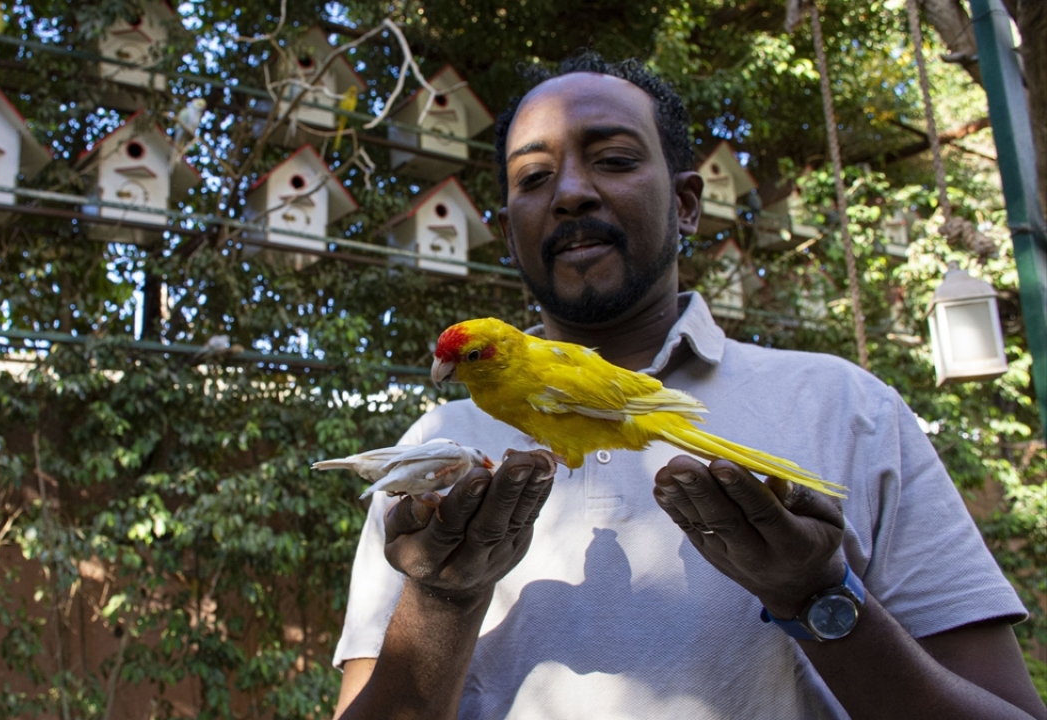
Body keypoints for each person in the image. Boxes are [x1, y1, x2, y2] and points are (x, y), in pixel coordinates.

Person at [331, 53, 1047, 720]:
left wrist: (819, 596)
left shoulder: (849, 410)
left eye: (613, 160)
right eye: (533, 179)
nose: (573, 192)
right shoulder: (433, 458)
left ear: (688, 203)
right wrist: (441, 598)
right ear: (509, 231)